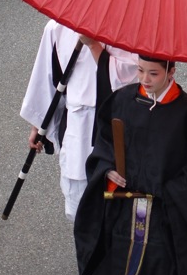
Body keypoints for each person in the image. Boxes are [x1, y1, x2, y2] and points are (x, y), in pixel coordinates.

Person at [74, 55, 187, 275]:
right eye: (140, 71)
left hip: (165, 208)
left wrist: (174, 189)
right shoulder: (124, 99)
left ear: (171, 72)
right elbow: (104, 141)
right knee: (119, 258)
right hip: (126, 203)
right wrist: (107, 169)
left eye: (153, 73)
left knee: (161, 262)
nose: (145, 79)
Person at [21, 22, 139, 220]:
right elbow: (50, 78)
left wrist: (94, 46)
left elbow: (133, 80)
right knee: (82, 210)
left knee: (122, 207)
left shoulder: (129, 25)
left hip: (119, 126)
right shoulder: (57, 27)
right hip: (79, 128)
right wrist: (39, 123)